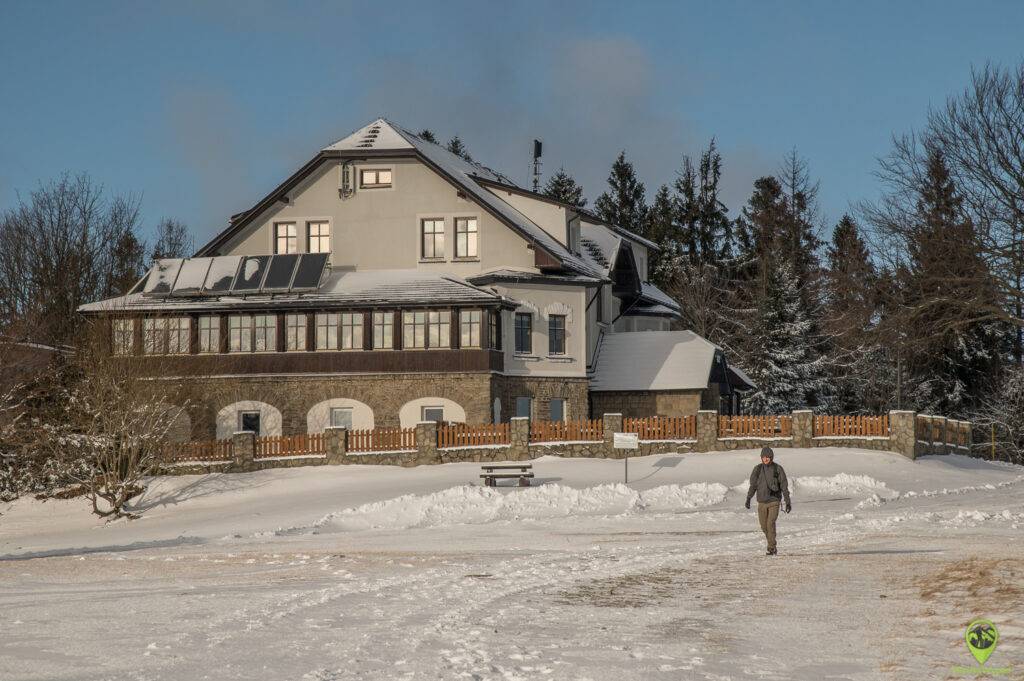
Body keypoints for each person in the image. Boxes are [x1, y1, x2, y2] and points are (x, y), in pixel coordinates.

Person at [744, 446, 791, 555]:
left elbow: (784, 486)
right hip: (761, 502)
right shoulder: (757, 469)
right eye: (763, 457)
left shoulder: (778, 469)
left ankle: (771, 548)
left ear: (771, 457)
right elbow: (753, 485)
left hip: (774, 501)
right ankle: (772, 543)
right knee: (764, 526)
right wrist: (748, 498)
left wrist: (787, 501)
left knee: (770, 524)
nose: (765, 459)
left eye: (767, 457)